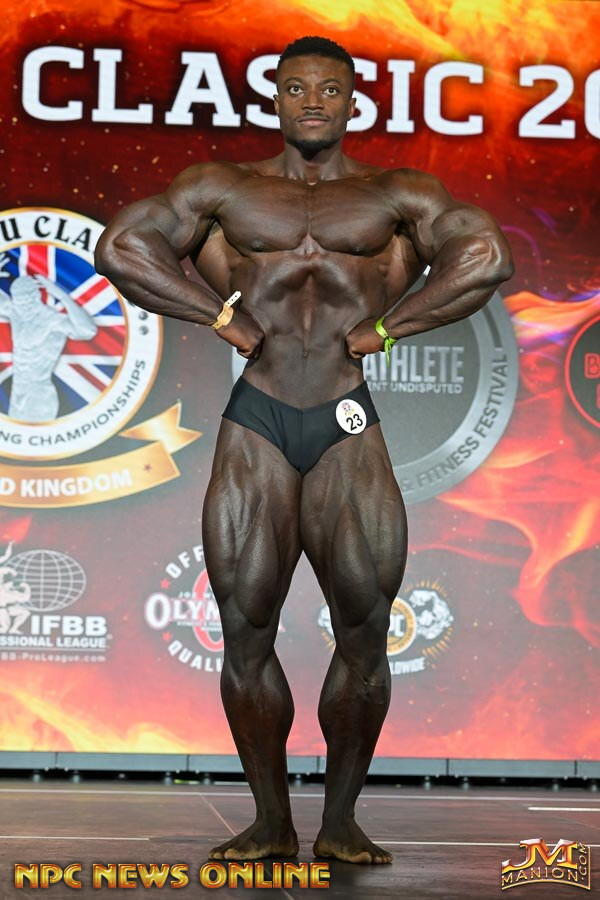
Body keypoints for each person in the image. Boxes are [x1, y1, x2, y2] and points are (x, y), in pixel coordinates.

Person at [95, 35, 513, 865]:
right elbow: (121, 247)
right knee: (245, 625)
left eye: (328, 89)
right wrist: (217, 315)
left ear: (352, 102)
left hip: (346, 420)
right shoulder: (222, 188)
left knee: (365, 626)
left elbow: (486, 256)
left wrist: (390, 326)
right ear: (276, 98)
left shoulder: (397, 194)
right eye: (296, 88)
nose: (313, 100)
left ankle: (342, 820)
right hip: (258, 419)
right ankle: (270, 821)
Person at [0, 257, 98, 421]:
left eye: (27, 301)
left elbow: (88, 331)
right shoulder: (17, 312)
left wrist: (62, 296)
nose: (23, 306)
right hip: (18, 392)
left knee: (36, 434)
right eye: (19, 301)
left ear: (36, 296)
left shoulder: (52, 320)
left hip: (39, 393)